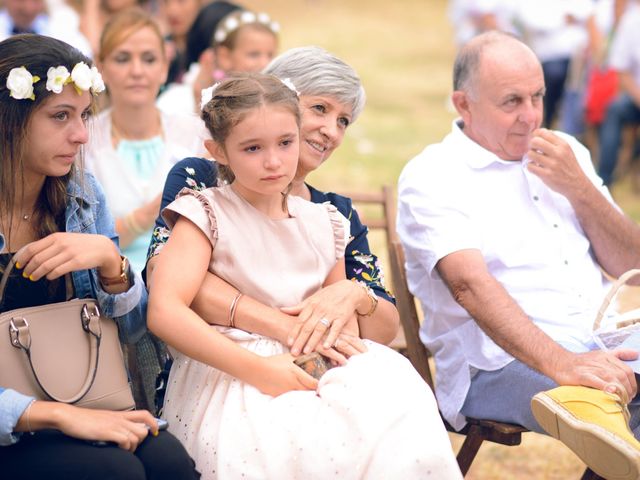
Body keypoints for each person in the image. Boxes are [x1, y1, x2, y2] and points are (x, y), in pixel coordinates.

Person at [147, 72, 461, 480]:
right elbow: (165, 311)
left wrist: (325, 361)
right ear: (217, 151)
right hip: (235, 373)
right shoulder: (204, 213)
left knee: (396, 406)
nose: (274, 161)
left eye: (285, 143)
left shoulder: (326, 222)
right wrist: (260, 369)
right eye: (252, 148)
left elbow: (338, 322)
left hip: (317, 362)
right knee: (286, 439)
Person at [397, 30, 640, 480]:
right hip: (499, 363)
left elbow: (633, 267)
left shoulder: (569, 153)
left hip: (597, 339)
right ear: (463, 105)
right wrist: (564, 364)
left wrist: (580, 188)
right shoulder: (433, 175)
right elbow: (470, 288)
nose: (530, 116)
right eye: (512, 102)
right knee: (616, 400)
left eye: (538, 96)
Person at [0, 34, 199, 479]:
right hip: (13, 424)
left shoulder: (82, 198)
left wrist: (114, 266)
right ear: (8, 120)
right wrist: (55, 415)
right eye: (60, 116)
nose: (82, 134)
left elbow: (133, 336)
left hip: (86, 395)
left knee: (169, 461)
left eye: (85, 114)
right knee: (115, 472)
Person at [146, 46, 399, 366]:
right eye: (320, 108)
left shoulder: (334, 214)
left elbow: (386, 325)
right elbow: (162, 276)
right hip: (221, 364)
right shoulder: (202, 180)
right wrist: (285, 326)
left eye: (343, 121)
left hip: (315, 365)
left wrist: (353, 295)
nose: (332, 131)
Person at [84, 7, 206, 410]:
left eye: (148, 58)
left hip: (190, 287)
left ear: (165, 63)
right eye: (122, 58)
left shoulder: (193, 133)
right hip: (113, 295)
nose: (137, 70)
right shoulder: (84, 142)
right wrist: (157, 208)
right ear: (101, 66)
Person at [157, 6, 278, 115]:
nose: (265, 63)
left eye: (270, 55)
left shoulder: (276, 97)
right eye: (254, 54)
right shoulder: (182, 97)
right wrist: (199, 99)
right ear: (224, 57)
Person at [597, 0, 640, 186]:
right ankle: (604, 180)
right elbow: (622, 72)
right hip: (637, 97)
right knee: (614, 110)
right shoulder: (631, 21)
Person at [0, 0, 91, 56]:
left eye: (36, 0)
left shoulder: (60, 27)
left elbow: (84, 55)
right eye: (20, 0)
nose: (29, 8)